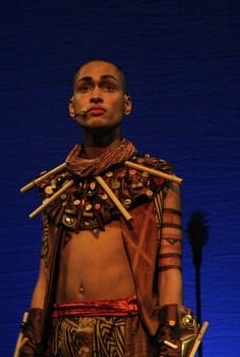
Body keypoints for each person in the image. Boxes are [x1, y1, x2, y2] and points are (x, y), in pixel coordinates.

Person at [17, 59, 200, 356]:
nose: (96, 95)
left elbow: (169, 271)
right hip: (61, 337)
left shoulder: (155, 182)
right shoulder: (55, 186)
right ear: (71, 106)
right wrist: (31, 340)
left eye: (108, 86)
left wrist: (173, 341)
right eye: (85, 87)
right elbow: (45, 273)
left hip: (127, 334)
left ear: (127, 104)